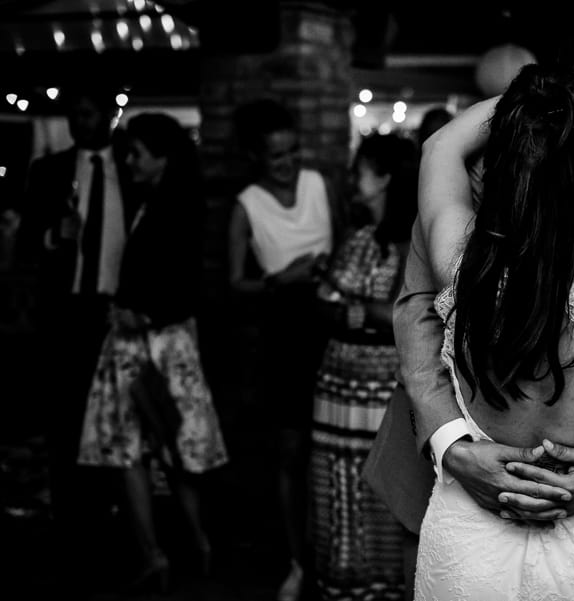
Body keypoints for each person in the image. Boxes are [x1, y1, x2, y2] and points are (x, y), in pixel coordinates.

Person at [363, 17, 574, 597]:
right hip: (446, 469)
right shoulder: (486, 182)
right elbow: (415, 310)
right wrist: (452, 444)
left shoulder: (459, 225)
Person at [77, 112, 228, 592]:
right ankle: (192, 545)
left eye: (137, 152)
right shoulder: (162, 201)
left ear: (163, 157)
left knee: (133, 453)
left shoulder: (174, 208)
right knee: (171, 451)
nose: (129, 159)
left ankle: (158, 553)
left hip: (147, 344)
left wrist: (136, 314)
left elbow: (185, 286)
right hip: (160, 343)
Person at [16, 83, 132, 595]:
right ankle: (69, 532)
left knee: (116, 424)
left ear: (108, 114)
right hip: (66, 313)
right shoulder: (47, 171)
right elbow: (22, 247)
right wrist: (50, 237)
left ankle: (118, 525)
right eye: (74, 113)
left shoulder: (131, 167)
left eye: (89, 112)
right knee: (65, 424)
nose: (80, 121)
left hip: (116, 310)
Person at [228, 98, 336, 601]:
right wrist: (281, 279)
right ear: (255, 156)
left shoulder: (317, 185)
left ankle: (341, 557)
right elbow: (234, 284)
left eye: (293, 151)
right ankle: (297, 561)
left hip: (330, 332)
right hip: (283, 339)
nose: (289, 162)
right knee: (291, 452)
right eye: (276, 156)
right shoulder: (246, 204)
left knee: (331, 450)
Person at [309, 133, 418, 601]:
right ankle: (346, 582)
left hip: (384, 385)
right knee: (337, 481)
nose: (352, 179)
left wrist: (362, 308)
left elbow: (406, 311)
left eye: (360, 170)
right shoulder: (358, 238)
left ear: (386, 178)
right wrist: (356, 309)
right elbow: (327, 305)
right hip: (338, 381)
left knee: (382, 480)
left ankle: (389, 586)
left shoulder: (414, 238)